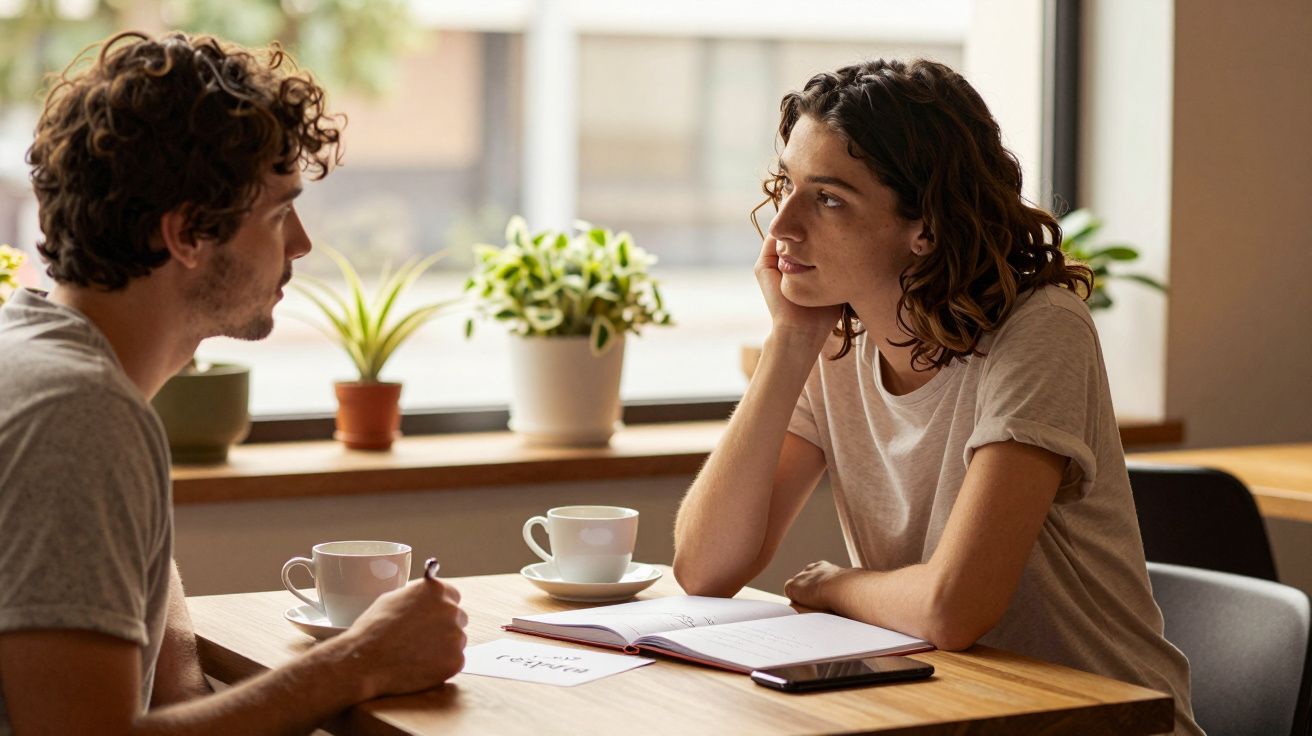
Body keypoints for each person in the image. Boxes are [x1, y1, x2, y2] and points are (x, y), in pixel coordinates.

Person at [672, 58, 1201, 734]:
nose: (781, 228)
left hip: (1099, 720)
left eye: (828, 198)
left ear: (923, 227)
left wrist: (831, 587)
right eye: (786, 186)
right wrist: (788, 344)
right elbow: (705, 568)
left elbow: (954, 607)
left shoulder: (1040, 330)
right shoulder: (833, 342)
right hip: (951, 709)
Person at [0, 31, 467, 734]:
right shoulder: (77, 414)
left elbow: (175, 699)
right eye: (279, 212)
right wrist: (360, 660)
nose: (302, 242)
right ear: (188, 234)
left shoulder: (58, 372)